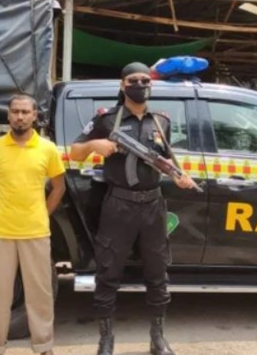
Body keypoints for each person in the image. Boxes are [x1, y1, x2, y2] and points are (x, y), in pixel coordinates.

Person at [69, 62, 196, 355]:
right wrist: (95, 145)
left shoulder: (161, 121)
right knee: (108, 273)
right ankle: (106, 340)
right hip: (119, 206)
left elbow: (165, 160)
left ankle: (158, 339)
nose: (140, 85)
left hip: (153, 207)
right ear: (122, 85)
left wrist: (178, 175)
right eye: (133, 80)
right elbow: (74, 152)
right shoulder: (106, 119)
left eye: (144, 80)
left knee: (157, 273)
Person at [0, 94, 66, 355]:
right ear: (8, 115)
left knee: (40, 295)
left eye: (25, 112)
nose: (20, 116)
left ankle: (43, 346)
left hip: (36, 231)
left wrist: (43, 213)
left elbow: (59, 187)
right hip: (1, 233)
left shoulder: (47, 149)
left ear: (34, 116)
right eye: (15, 111)